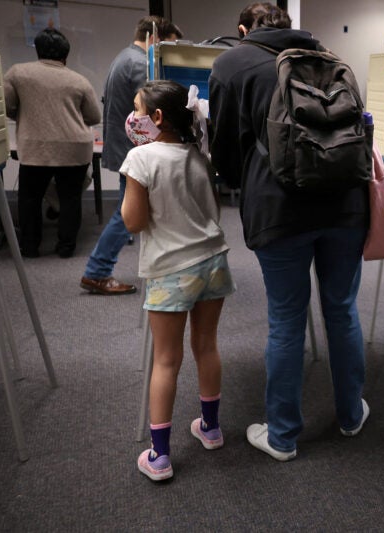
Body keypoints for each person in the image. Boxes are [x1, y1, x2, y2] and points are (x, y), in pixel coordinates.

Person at [209, 3, 370, 461]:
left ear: (244, 30)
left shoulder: (232, 62)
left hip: (279, 209)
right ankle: (351, 415)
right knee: (342, 309)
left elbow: (223, 152)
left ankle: (282, 436)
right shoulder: (331, 58)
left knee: (286, 319)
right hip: (345, 205)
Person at [120, 80, 234, 481]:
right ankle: (211, 428)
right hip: (214, 261)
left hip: (171, 269)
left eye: (137, 109)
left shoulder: (140, 158)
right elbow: (213, 211)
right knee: (207, 345)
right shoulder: (198, 155)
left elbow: (133, 221)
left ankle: (161, 457)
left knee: (166, 360)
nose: (131, 116)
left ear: (157, 118)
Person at [80, 16, 183, 295]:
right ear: (155, 38)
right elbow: (155, 109)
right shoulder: (141, 64)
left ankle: (101, 270)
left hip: (124, 145)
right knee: (128, 215)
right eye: (168, 45)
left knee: (133, 212)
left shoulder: (124, 56)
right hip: (134, 149)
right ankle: (97, 271)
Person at [3, 28, 100, 258]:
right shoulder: (80, 80)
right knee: (70, 198)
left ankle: (30, 247)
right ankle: (66, 248)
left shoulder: (18, 73)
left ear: (37, 50)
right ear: (65, 55)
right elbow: (94, 117)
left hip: (36, 147)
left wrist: (23, 115)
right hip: (75, 148)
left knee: (30, 198)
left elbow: (6, 107)